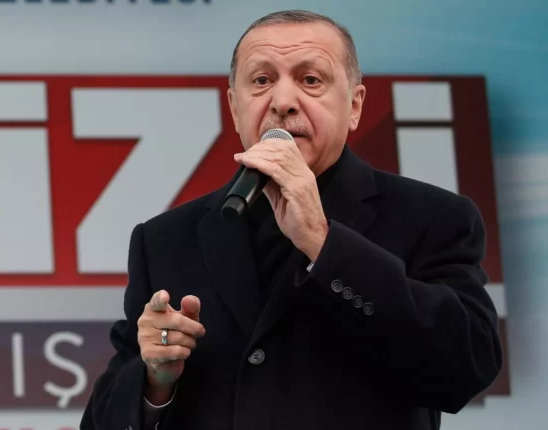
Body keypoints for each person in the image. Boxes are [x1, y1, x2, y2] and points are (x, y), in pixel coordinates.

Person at [79, 9, 503, 430]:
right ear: (234, 106)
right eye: (262, 80)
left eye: (311, 80)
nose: (282, 102)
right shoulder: (165, 239)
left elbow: (466, 368)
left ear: (354, 105)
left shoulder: (431, 217)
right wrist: (154, 382)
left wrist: (324, 243)